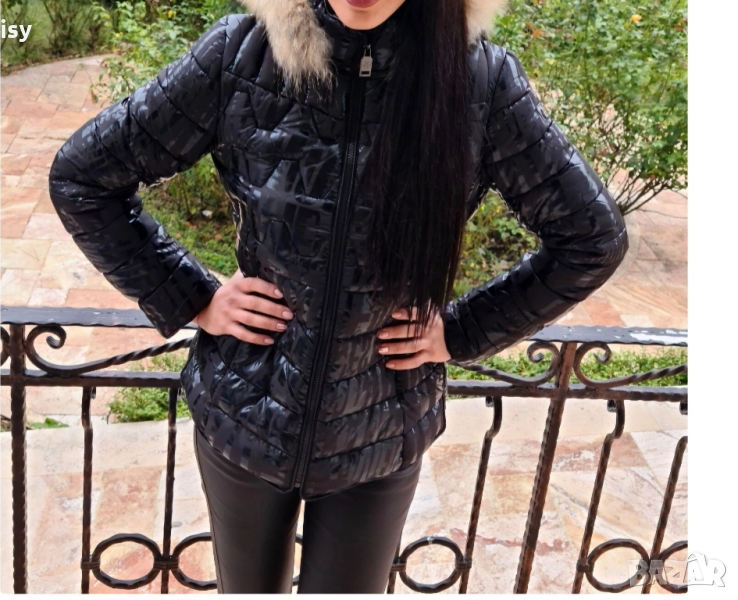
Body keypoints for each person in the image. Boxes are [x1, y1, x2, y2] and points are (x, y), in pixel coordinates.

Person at [48, 0, 629, 593]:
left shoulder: (478, 80)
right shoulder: (243, 55)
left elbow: (592, 237)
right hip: (245, 416)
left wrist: (463, 331)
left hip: (381, 430)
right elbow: (83, 176)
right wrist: (192, 296)